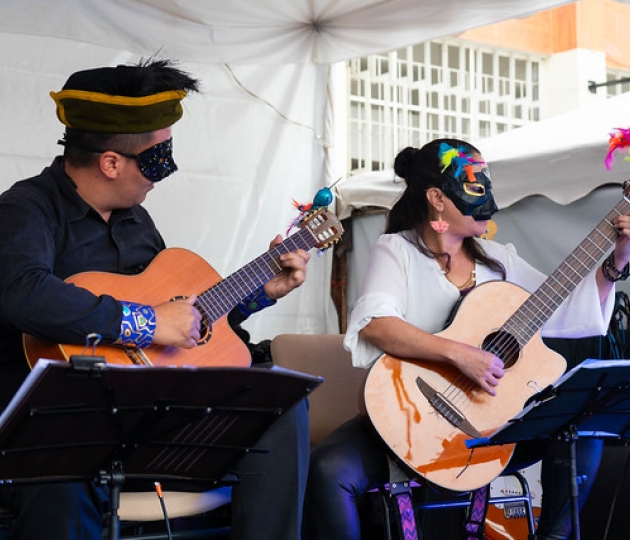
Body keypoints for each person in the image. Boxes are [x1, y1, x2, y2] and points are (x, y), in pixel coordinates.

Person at [0, 58, 311, 540]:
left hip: (152, 417)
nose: (163, 171)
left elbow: (183, 325)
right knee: (59, 468)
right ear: (110, 162)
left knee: (281, 407)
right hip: (62, 427)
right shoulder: (27, 208)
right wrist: (143, 322)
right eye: (157, 156)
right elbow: (21, 292)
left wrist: (254, 296)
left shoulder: (138, 222)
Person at [303, 138, 630, 540]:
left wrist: (617, 262)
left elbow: (564, 307)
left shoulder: (499, 259)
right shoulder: (398, 251)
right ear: (437, 198)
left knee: (584, 430)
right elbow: (376, 324)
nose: (490, 200)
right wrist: (460, 355)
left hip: (485, 431)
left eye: (488, 185)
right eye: (477, 188)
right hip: (409, 416)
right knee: (327, 471)